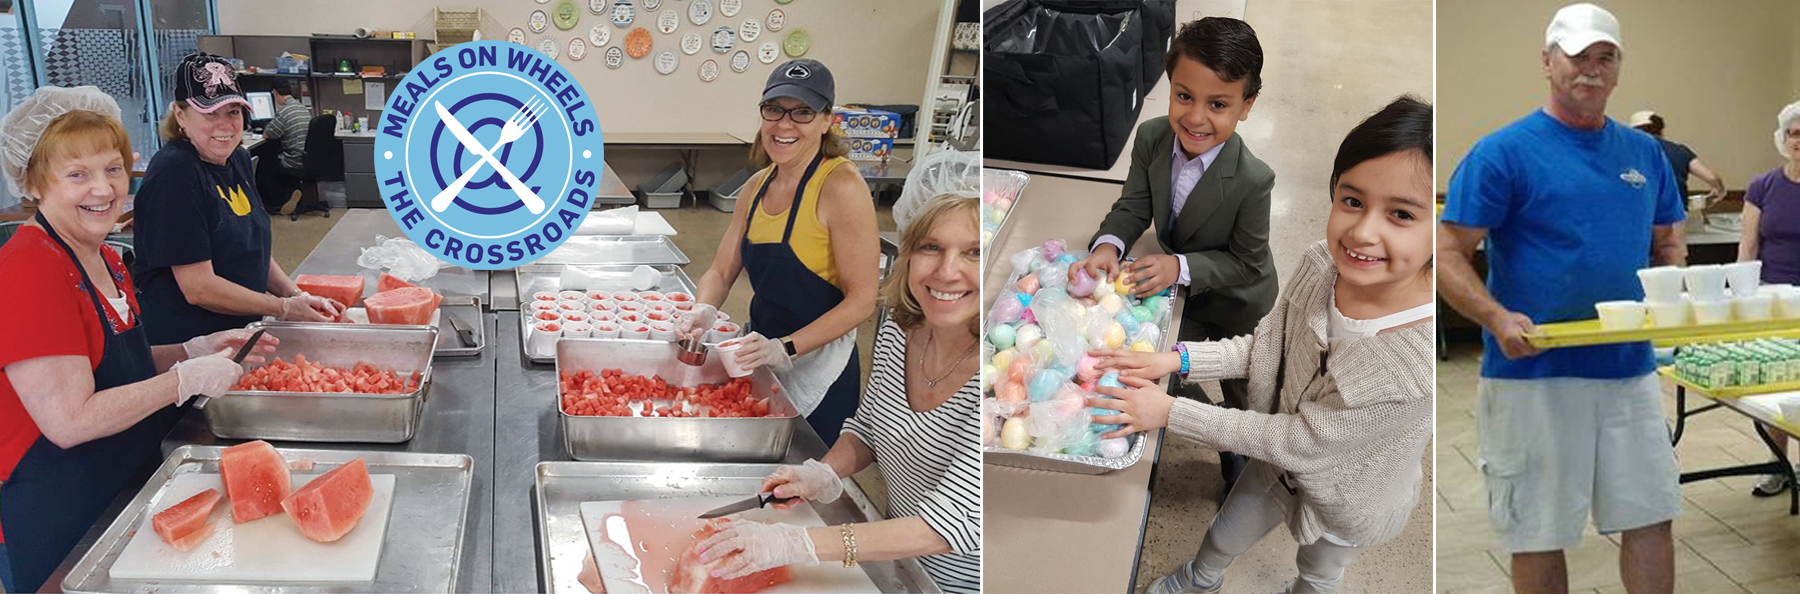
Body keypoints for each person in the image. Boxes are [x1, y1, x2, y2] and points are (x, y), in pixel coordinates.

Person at [1088, 97, 1434, 594]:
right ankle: (1199, 579)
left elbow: (1304, 442)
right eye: (1352, 201)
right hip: (1275, 462)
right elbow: (1267, 348)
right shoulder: (1322, 266)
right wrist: (1178, 358)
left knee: (1320, 570)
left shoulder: (1410, 371)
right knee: (1224, 534)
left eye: (1401, 214)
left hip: (1350, 497)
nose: (1362, 232)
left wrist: (1170, 413)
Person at [1439, 4, 1683, 592]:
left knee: (1651, 516)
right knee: (1540, 532)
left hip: (1628, 370)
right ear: (1548, 62)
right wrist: (1495, 317)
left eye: (1606, 58)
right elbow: (1446, 252)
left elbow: (1670, 237)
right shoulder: (1503, 152)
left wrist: (1670, 291)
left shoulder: (1644, 154)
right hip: (1534, 377)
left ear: (1618, 71)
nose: (1591, 70)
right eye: (1577, 56)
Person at [0, 86, 273, 593]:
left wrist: (191, 349)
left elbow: (113, 365)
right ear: (34, 183)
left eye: (113, 169)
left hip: (119, 478)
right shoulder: (30, 271)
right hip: (57, 503)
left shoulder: (104, 257)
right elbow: (69, 419)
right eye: (77, 174)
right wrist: (181, 379)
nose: (103, 190)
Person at [693, 191, 981, 593]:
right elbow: (870, 427)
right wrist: (823, 472)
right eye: (932, 247)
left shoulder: (1000, 379)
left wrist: (796, 542)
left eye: (975, 253)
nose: (947, 271)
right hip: (893, 558)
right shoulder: (904, 327)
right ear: (909, 255)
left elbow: (951, 525)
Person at [1067, 16, 1278, 495]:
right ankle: (1199, 417)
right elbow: (1133, 206)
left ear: (1247, 106)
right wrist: (1107, 245)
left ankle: (1238, 452)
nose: (1196, 118)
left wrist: (1178, 266)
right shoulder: (1152, 138)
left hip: (1236, 303)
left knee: (1243, 390)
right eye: (1184, 96)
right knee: (1164, 368)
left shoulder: (1253, 180)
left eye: (1218, 104)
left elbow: (1246, 263)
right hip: (1181, 295)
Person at [680, 59, 880, 445]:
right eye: (774, 109)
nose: (784, 124)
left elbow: (863, 301)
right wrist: (701, 311)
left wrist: (785, 348)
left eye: (802, 112)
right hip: (759, 356)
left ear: (826, 120)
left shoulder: (840, 187)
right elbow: (722, 271)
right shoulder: (756, 186)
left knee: (803, 476)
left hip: (820, 367)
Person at [132, 52, 342, 347]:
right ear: (180, 115)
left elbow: (253, 250)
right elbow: (199, 288)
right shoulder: (175, 173)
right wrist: (281, 308)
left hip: (238, 329)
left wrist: (296, 295)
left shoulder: (238, 159)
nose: (225, 125)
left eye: (233, 112)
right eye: (209, 113)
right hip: (189, 343)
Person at [1740, 100, 1800, 496]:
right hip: (1772, 301)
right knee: (1776, 384)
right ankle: (1776, 466)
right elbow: (1748, 246)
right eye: (1795, 133)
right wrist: (1742, 299)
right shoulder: (1763, 186)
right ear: (1783, 139)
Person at [255, 80, 321, 216]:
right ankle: (290, 195)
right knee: (270, 159)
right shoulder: (301, 107)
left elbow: (268, 134)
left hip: (293, 158)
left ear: (274, 93)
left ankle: (282, 200)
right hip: (307, 158)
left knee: (262, 168)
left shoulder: (284, 111)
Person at [1629, 110, 1727, 201]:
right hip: (1677, 213)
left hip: (1643, 212)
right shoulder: (1680, 150)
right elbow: (1712, 178)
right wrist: (1719, 190)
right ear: (1661, 130)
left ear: (1635, 132)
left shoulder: (1630, 151)